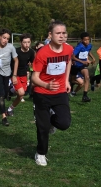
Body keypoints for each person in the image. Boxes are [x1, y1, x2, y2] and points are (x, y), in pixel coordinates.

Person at [32, 20, 73, 166]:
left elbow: (68, 62)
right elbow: (34, 78)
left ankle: (51, 121)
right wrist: (46, 85)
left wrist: (67, 81)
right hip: (42, 92)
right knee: (42, 127)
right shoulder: (42, 53)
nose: (62, 36)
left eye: (64, 33)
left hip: (60, 91)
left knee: (64, 123)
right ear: (50, 35)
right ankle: (41, 153)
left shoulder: (68, 49)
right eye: (58, 33)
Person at [7, 33, 34, 116]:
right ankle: (10, 91)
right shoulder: (16, 51)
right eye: (25, 42)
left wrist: (31, 68)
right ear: (20, 43)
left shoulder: (31, 52)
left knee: (21, 95)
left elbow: (32, 63)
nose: (27, 44)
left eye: (28, 42)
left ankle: (10, 108)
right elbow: (10, 63)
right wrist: (12, 75)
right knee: (21, 93)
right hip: (15, 74)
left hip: (24, 74)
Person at [70, 32, 95, 102]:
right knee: (73, 80)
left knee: (87, 77)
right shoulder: (79, 47)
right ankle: (70, 88)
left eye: (88, 40)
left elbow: (88, 52)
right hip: (75, 66)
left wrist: (93, 58)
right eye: (85, 40)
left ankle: (85, 95)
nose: (87, 41)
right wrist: (82, 61)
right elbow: (72, 57)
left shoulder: (89, 45)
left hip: (82, 66)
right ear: (81, 40)